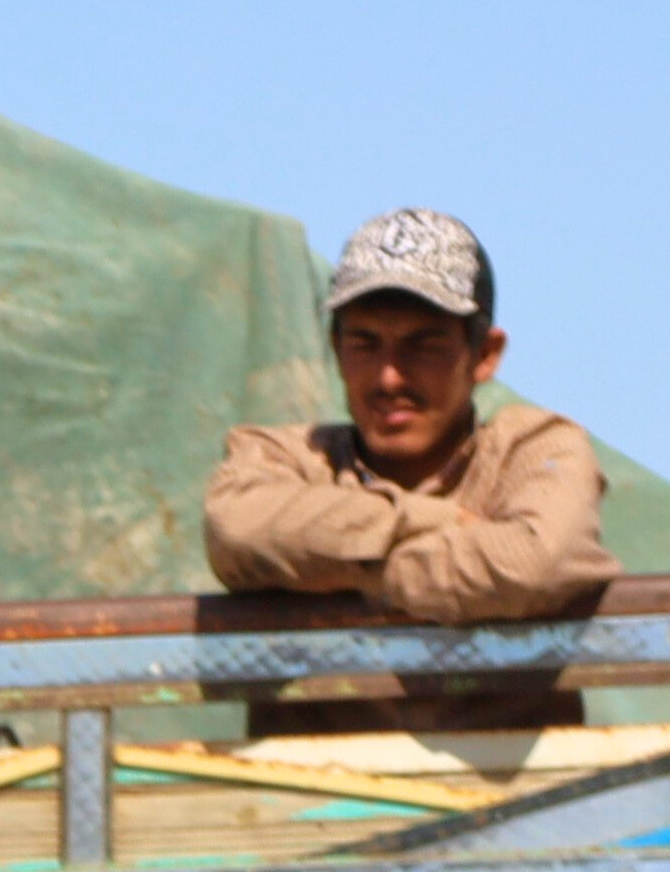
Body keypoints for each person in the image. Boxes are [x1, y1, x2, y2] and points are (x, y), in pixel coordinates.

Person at [200, 207, 619, 623]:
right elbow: (235, 530)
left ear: (485, 356)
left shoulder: (531, 449)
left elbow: (535, 566)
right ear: (336, 350)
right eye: (365, 343)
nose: (389, 378)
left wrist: (352, 570)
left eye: (423, 345)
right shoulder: (288, 458)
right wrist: (442, 523)